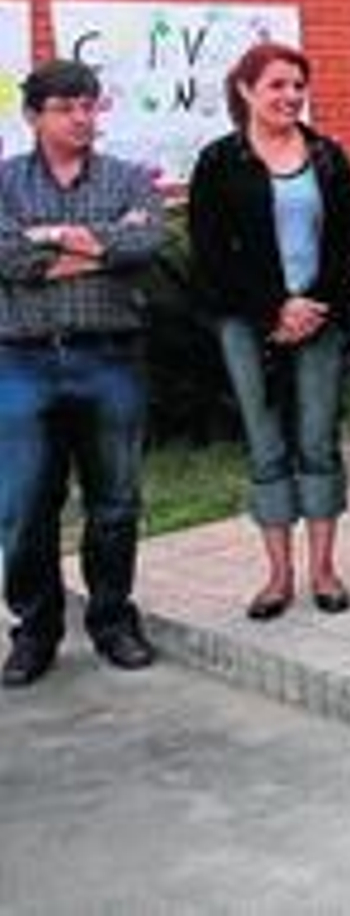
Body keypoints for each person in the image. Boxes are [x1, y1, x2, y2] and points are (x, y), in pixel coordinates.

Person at [189, 43, 350, 622]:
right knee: (266, 445)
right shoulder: (219, 161)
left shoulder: (326, 156)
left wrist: (312, 304)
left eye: (298, 85)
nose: (291, 96)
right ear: (245, 90)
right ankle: (278, 575)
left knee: (317, 441)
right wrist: (274, 308)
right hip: (248, 323)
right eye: (276, 85)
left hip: (319, 318)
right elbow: (211, 252)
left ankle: (323, 569)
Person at [0, 60, 165, 687]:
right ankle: (35, 631)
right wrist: (100, 245)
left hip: (110, 357)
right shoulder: (6, 182)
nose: (81, 118)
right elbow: (8, 257)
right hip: (22, 359)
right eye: (66, 107)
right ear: (34, 116)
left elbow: (146, 243)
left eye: (89, 106)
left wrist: (55, 240)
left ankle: (112, 620)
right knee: (22, 508)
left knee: (116, 503)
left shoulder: (127, 178)